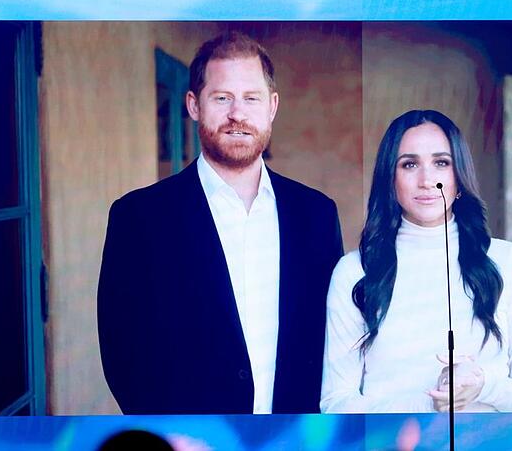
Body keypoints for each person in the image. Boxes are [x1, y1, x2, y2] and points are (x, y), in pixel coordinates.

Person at [98, 31, 344, 414]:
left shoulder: (316, 215)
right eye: (222, 98)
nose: (238, 114)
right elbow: (123, 354)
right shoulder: (138, 218)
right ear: (194, 105)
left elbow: (334, 338)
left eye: (251, 98)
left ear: (272, 106)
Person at [320, 110, 512, 413]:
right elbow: (336, 403)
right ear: (391, 178)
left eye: (441, 163)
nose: (427, 180)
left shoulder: (510, 263)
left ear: (459, 176)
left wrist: (482, 386)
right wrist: (429, 405)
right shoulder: (354, 272)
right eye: (410, 164)